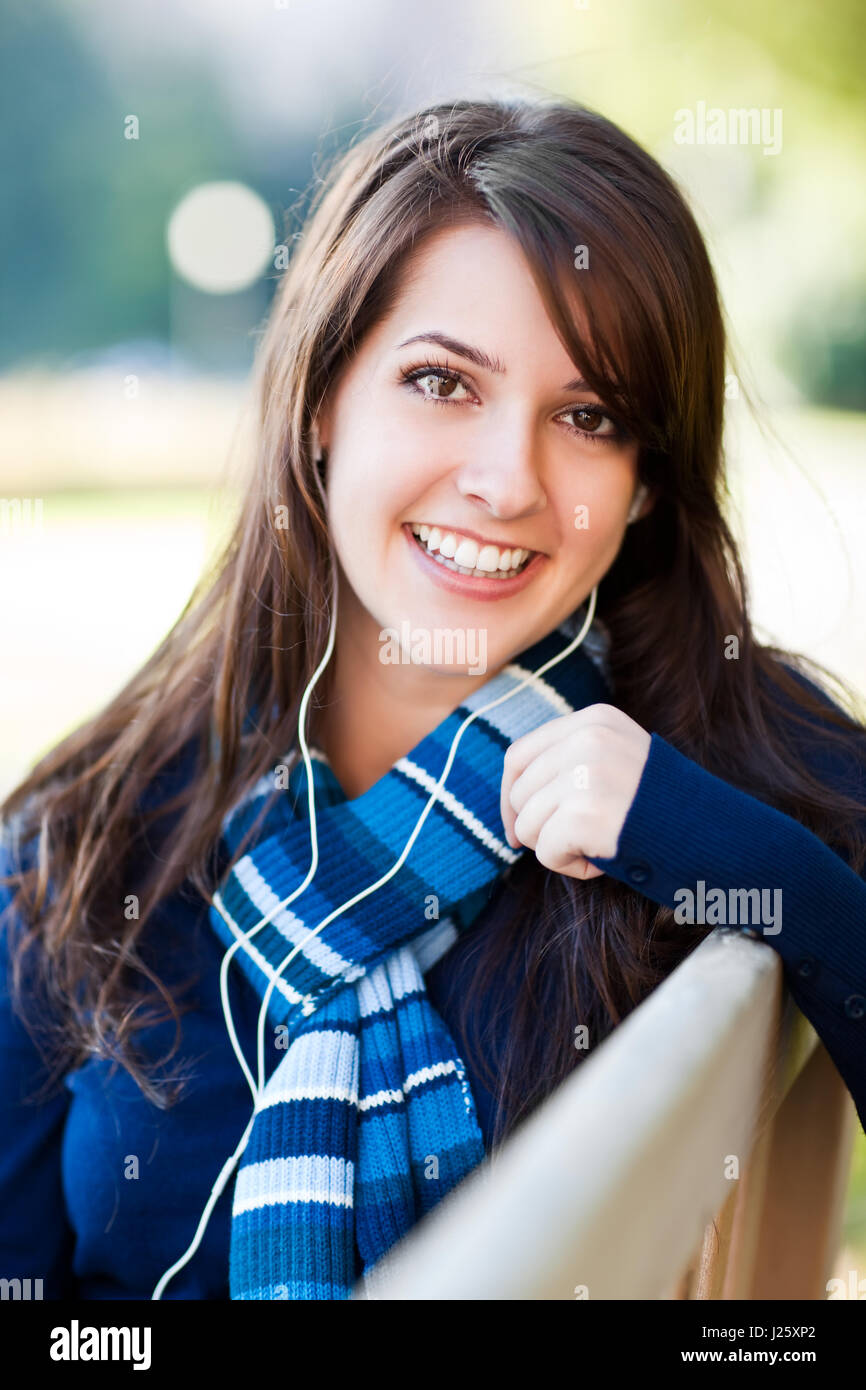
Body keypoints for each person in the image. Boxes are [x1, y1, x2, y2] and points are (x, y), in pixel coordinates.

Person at [1, 97, 865, 1302]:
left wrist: (703, 840)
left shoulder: (734, 763)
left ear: (645, 484)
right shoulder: (89, 840)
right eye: (440, 382)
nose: (507, 480)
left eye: (587, 415)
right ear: (319, 404)